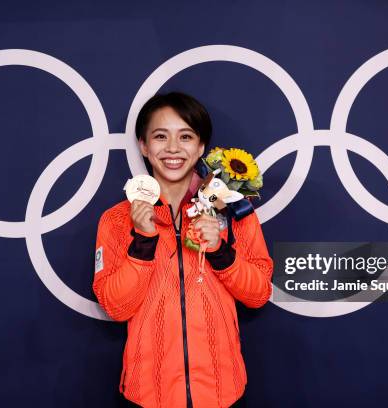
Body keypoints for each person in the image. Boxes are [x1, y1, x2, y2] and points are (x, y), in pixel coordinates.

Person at [93, 91, 273, 408]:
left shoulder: (234, 211)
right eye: (160, 136)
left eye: (186, 136)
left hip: (223, 394)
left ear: (201, 146)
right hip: (147, 396)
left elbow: (259, 294)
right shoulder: (118, 220)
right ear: (144, 146)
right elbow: (115, 306)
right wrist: (144, 241)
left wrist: (220, 250)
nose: (173, 149)